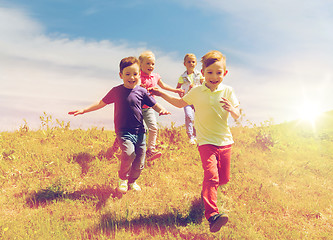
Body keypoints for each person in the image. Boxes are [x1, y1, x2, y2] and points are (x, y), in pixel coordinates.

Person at [149, 50, 240, 232]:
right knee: (211, 176)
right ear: (203, 73)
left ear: (225, 73)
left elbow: (237, 115)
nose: (214, 77)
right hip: (205, 141)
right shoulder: (197, 91)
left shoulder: (228, 91)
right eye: (210, 72)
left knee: (223, 179)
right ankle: (212, 215)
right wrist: (160, 94)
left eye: (218, 73)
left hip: (225, 141)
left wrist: (232, 109)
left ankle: (207, 193)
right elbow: (179, 103)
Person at [68, 56, 170, 194]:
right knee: (128, 154)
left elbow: (154, 104)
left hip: (140, 132)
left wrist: (161, 110)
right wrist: (84, 110)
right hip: (123, 131)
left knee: (140, 162)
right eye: (127, 74)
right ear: (121, 75)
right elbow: (101, 103)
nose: (132, 77)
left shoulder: (141, 91)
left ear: (139, 74)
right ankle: (123, 179)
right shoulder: (116, 91)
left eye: (135, 74)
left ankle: (132, 182)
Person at [139, 50, 184, 161]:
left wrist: (175, 90)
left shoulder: (155, 76)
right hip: (137, 108)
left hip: (149, 107)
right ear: (140, 64)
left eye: (153, 64)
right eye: (148, 63)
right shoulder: (137, 76)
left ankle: (151, 150)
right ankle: (134, 149)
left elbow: (163, 86)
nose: (151, 66)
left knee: (153, 128)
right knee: (139, 130)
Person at [176, 53, 204, 145]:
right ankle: (191, 136)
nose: (191, 63)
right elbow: (178, 87)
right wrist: (181, 93)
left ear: (196, 63)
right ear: (184, 64)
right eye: (189, 62)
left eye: (193, 62)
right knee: (189, 116)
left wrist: (196, 86)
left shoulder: (199, 74)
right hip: (187, 99)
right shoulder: (183, 76)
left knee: (198, 117)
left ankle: (197, 135)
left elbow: (204, 84)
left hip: (197, 99)